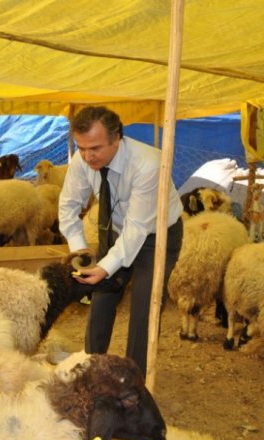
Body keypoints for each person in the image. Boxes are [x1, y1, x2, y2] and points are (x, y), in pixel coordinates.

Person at [58, 106, 183, 375]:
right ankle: (92, 367)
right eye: (81, 147)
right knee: (102, 296)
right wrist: (81, 252)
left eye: (95, 148)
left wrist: (105, 267)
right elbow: (68, 207)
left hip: (155, 236)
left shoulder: (149, 164)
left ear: (117, 139)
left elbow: (137, 228)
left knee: (144, 306)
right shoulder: (82, 161)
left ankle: (131, 378)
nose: (87, 156)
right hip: (113, 230)